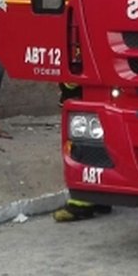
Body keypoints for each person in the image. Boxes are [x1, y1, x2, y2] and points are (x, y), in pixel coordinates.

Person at [52, 82, 113, 222]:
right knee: (98, 140)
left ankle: (81, 203)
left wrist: (68, 83)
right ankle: (100, 198)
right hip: (93, 91)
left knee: (81, 143)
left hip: (84, 94)